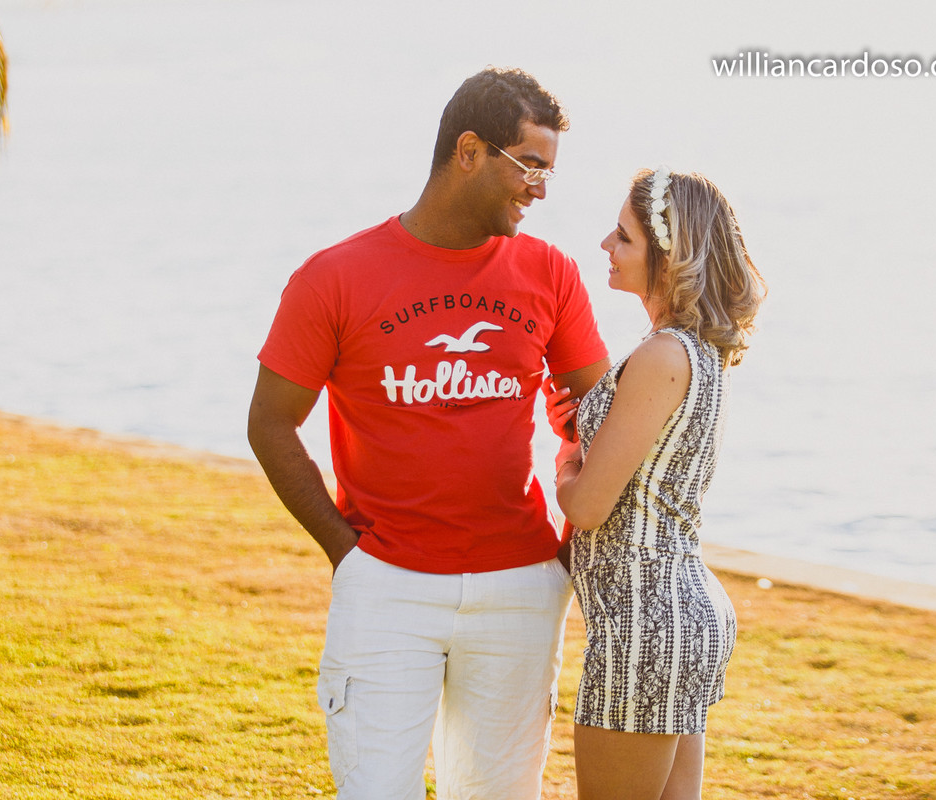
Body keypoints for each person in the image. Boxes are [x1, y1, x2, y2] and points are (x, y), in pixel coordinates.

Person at [246, 66, 610, 800]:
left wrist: (566, 551)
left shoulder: (550, 271)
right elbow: (271, 424)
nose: (542, 187)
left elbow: (596, 413)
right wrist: (346, 554)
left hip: (520, 585)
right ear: (469, 150)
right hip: (387, 587)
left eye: (550, 170)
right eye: (530, 165)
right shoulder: (335, 276)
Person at [546, 167, 767, 799]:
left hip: (645, 622)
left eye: (623, 238)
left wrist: (566, 455)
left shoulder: (663, 355)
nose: (605, 247)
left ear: (668, 260)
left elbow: (587, 507)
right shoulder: (696, 353)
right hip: (676, 614)